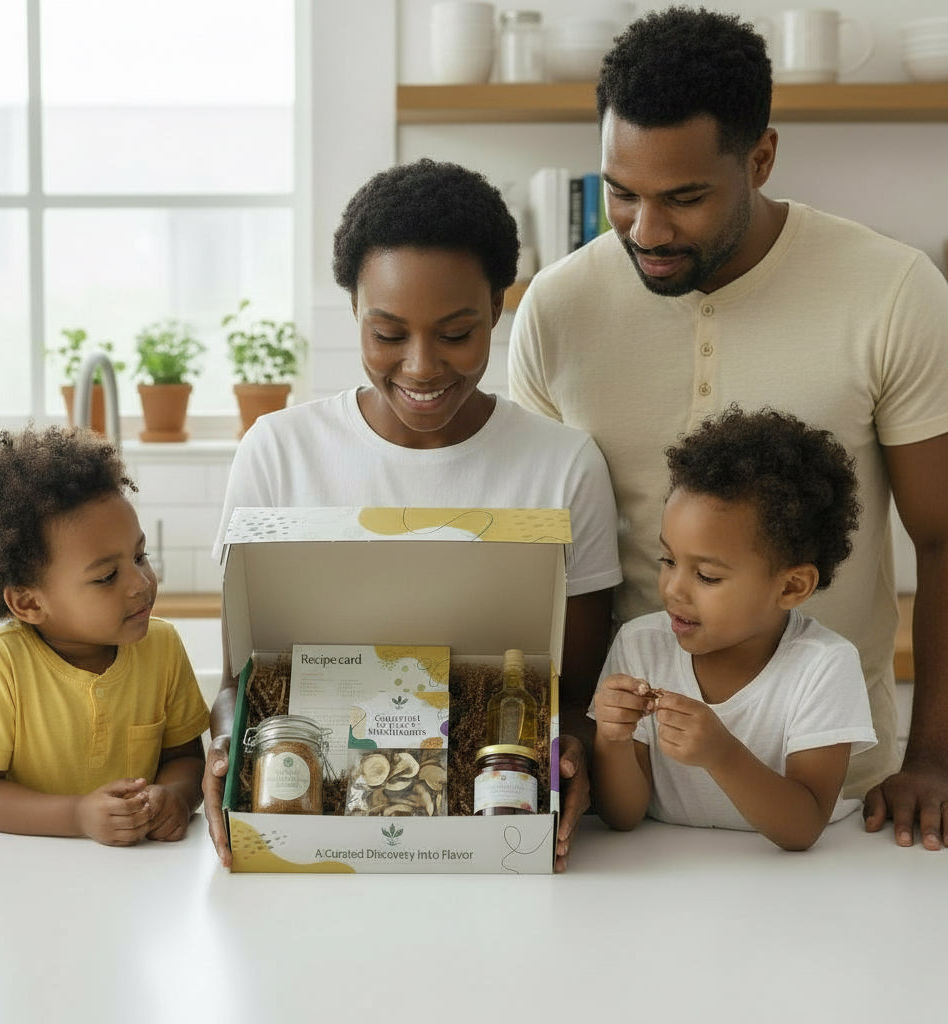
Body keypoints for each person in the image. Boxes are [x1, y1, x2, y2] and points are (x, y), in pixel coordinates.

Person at [509, 6, 948, 850]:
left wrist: (933, 756)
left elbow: (942, 537)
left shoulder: (891, 291)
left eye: (684, 198)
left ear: (761, 158)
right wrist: (563, 737)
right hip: (624, 792)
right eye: (622, 193)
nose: (646, 231)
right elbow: (538, 557)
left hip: (835, 797)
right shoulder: (557, 309)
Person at [203, 158, 623, 870]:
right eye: (389, 334)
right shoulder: (277, 452)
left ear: (498, 307)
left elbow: (574, 696)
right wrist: (223, 754)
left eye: (456, 333)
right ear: (355, 312)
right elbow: (239, 689)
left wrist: (573, 756)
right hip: (309, 831)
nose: (422, 366)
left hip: (497, 828)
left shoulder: (563, 466)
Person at [591, 406, 876, 850]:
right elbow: (623, 816)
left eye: (707, 576)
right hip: (663, 872)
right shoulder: (640, 645)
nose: (673, 589)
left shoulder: (823, 666)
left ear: (792, 586)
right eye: (668, 560)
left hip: (801, 884)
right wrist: (612, 739)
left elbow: (803, 828)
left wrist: (722, 754)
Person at [0, 426, 210, 846]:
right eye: (106, 576)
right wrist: (79, 816)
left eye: (140, 556)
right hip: (27, 869)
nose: (141, 583)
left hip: (138, 871)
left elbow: (186, 758)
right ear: (29, 603)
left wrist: (175, 796)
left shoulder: (162, 647)